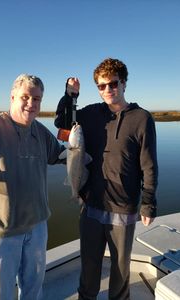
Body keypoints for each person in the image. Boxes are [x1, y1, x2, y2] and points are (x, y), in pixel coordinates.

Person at [54, 58, 158, 300]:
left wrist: (149, 202)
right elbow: (62, 122)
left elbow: (149, 165)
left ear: (123, 83)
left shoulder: (142, 118)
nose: (107, 90)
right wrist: (70, 96)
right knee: (89, 263)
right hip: (91, 204)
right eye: (101, 86)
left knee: (121, 269)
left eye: (112, 84)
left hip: (124, 205)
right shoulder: (90, 114)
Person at [0, 74, 64, 300]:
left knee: (33, 288)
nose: (31, 103)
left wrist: (85, 153)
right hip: (0, 230)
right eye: (26, 97)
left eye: (37, 99)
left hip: (37, 226)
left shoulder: (40, 132)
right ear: (12, 97)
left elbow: (60, 155)